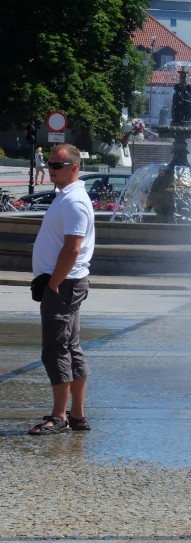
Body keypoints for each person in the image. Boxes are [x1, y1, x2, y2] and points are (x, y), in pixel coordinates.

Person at [28, 144, 95, 435]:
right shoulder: (66, 196)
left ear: (74, 168)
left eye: (58, 165)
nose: (52, 169)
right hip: (66, 282)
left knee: (56, 350)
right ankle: (77, 414)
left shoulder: (74, 202)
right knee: (70, 347)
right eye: (51, 164)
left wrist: (53, 282)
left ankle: (59, 416)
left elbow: (73, 247)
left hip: (64, 284)